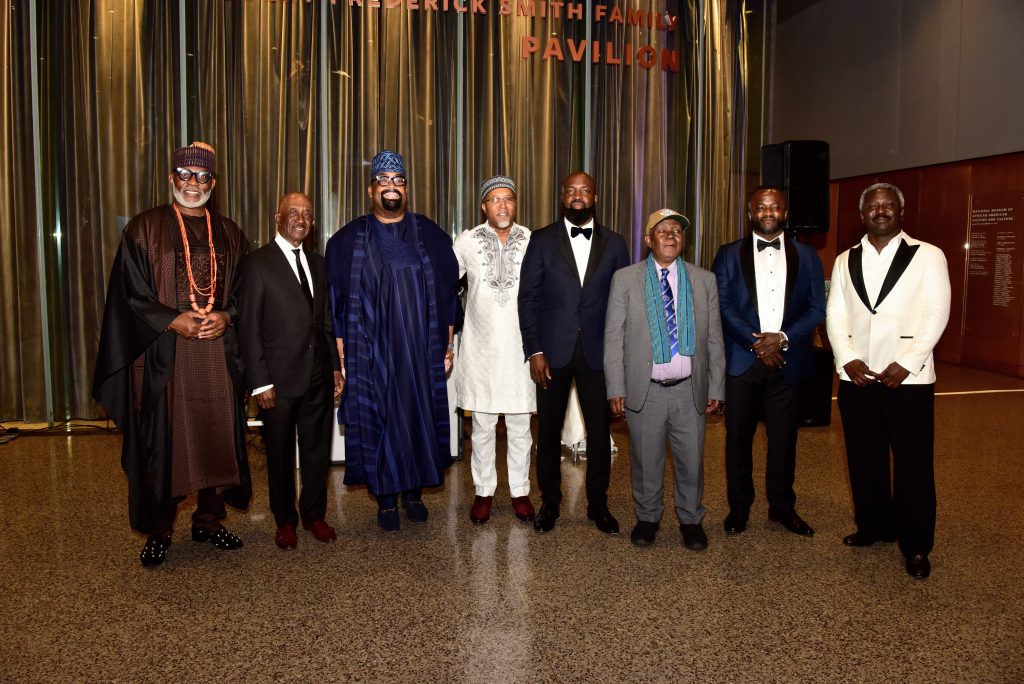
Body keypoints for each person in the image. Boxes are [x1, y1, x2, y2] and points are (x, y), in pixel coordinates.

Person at [93, 141, 251, 568]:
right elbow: (127, 294)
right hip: (166, 357)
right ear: (171, 178)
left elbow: (246, 294)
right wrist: (169, 319)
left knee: (216, 435)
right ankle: (161, 528)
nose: (193, 184)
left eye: (202, 177)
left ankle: (208, 521)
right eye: (185, 175)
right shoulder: (143, 230)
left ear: (213, 183)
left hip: (216, 356)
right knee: (167, 440)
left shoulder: (232, 234)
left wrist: (229, 316)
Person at [324, 150, 459, 532]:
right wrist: (341, 355)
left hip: (420, 350)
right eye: (383, 181)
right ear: (371, 190)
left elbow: (450, 296)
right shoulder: (349, 239)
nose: (391, 187)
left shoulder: (430, 233)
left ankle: (413, 492)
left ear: (406, 188)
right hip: (372, 351)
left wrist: (447, 345)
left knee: (418, 420)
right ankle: (385, 499)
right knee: (379, 421)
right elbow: (336, 302)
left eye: (398, 181)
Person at [826, 182, 950, 579]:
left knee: (913, 464)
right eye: (873, 206)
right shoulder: (846, 260)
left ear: (900, 211)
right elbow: (836, 315)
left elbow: (936, 313)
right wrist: (847, 359)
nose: (881, 211)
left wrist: (908, 361)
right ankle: (874, 527)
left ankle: (915, 545)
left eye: (888, 205)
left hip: (907, 381)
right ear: (862, 215)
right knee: (864, 459)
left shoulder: (929, 256)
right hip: (858, 378)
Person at [605, 209, 725, 549]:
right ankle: (648, 517)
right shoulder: (625, 279)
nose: (671, 235)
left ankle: (690, 519)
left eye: (677, 230)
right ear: (648, 240)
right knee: (645, 459)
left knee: (692, 460)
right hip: (646, 389)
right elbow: (613, 336)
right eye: (662, 230)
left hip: (690, 390)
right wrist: (616, 386)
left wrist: (716, 386)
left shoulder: (704, 280)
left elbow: (715, 338)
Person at [518, 170, 629, 534]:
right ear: (562, 196)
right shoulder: (542, 240)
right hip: (552, 353)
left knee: (600, 433)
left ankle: (599, 505)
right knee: (548, 432)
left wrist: (622, 357)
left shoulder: (615, 244)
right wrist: (534, 350)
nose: (577, 196)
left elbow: (624, 303)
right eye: (571, 190)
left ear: (596, 197)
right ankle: (550, 502)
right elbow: (529, 298)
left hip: (599, 353)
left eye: (584, 191)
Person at [710, 186, 826, 538]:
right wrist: (757, 342)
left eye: (775, 206)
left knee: (783, 440)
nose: (768, 211)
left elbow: (817, 308)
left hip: (788, 362)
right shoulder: (728, 254)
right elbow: (723, 304)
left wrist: (783, 338)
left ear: (785, 212)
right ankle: (739, 507)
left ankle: (782, 507)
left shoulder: (808, 257)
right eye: (761, 206)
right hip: (743, 362)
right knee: (737, 441)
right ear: (750, 213)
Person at [236, 192, 344, 549]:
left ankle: (314, 515)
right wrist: (259, 382)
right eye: (293, 212)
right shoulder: (257, 264)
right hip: (277, 381)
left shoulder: (320, 263)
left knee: (317, 452)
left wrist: (334, 368)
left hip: (317, 375)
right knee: (279, 454)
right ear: (277, 217)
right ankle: (285, 520)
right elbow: (248, 327)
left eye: (308, 214)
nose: (301, 219)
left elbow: (324, 323)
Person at [454, 176, 536, 525]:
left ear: (515, 205)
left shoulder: (532, 240)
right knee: (484, 426)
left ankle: (520, 491)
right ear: (484, 206)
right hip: (481, 350)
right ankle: (483, 491)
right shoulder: (467, 242)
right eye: (495, 199)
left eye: (509, 199)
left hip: (520, 351)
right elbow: (445, 287)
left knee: (520, 426)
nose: (502, 206)